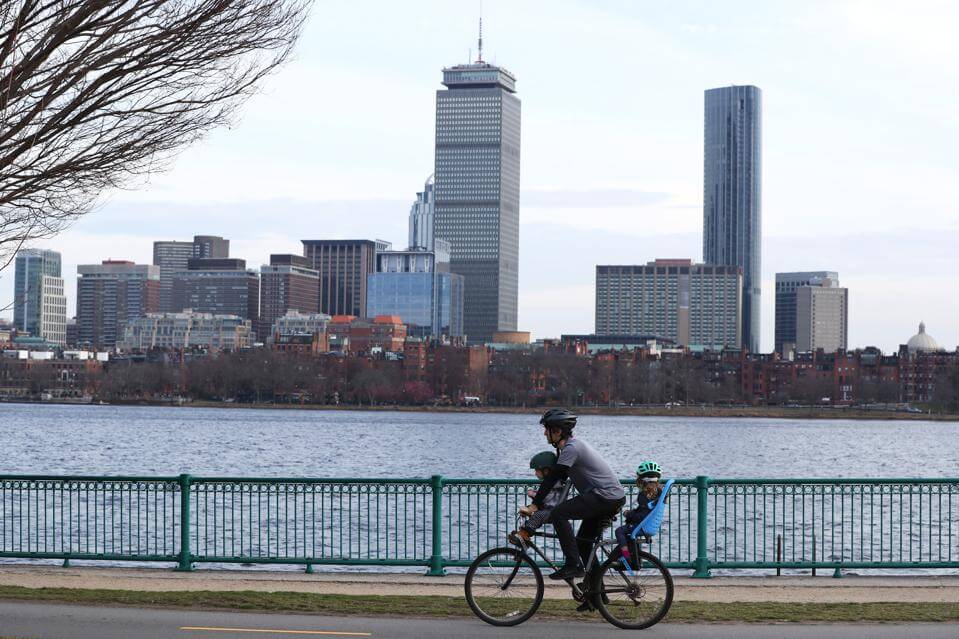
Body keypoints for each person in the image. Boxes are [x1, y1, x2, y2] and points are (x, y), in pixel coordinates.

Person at [523, 408, 626, 583]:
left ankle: (572, 564)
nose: (544, 433)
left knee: (559, 514)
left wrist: (535, 505)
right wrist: (541, 502)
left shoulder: (572, 448)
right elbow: (560, 481)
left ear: (557, 431)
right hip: (609, 498)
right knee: (583, 545)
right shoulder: (570, 448)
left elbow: (553, 478)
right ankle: (595, 596)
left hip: (604, 497)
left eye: (546, 429)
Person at [613, 461, 663, 569]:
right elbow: (645, 512)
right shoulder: (658, 493)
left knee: (619, 531)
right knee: (630, 536)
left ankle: (627, 558)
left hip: (643, 525)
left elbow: (641, 517)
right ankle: (636, 558)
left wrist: (628, 514)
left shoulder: (643, 495)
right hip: (650, 525)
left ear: (643, 481)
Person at [509, 450, 566, 546]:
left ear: (546, 470)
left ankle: (524, 535)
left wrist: (534, 495)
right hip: (548, 508)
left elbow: (547, 497)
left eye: (537, 470)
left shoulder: (555, 483)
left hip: (552, 510)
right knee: (531, 513)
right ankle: (524, 534)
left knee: (538, 516)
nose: (535, 473)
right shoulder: (549, 482)